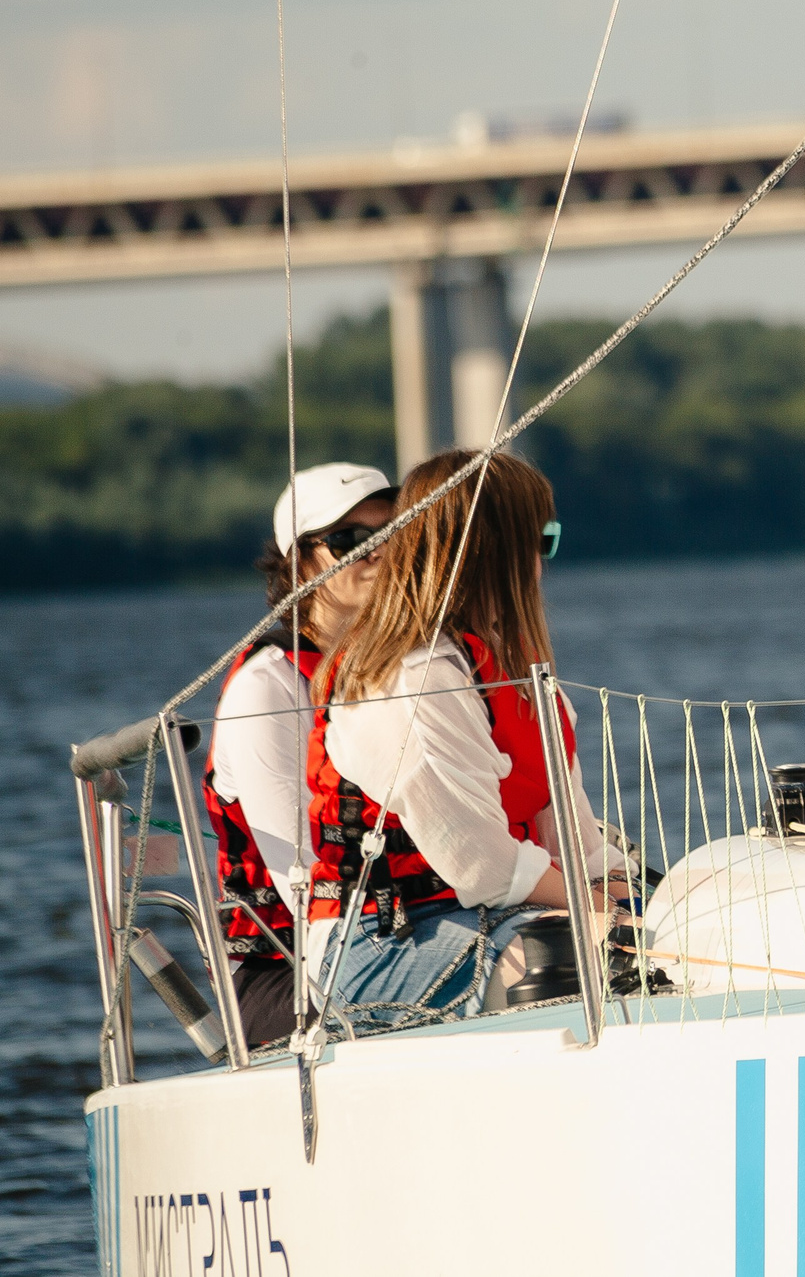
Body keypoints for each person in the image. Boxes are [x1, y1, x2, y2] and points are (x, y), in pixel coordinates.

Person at [304, 449, 622, 1027]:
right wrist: (601, 913)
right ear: (495, 552)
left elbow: (575, 840)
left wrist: (631, 894)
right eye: (540, 541)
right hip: (382, 944)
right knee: (601, 961)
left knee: (678, 929)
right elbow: (481, 865)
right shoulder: (412, 678)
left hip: (496, 913)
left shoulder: (519, 674)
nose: (542, 563)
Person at [206, 462, 394, 1048]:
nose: (377, 553)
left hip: (392, 926)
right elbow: (305, 883)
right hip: (286, 971)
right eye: (349, 541)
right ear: (300, 562)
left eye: (392, 534)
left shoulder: (401, 668)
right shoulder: (267, 689)